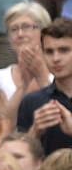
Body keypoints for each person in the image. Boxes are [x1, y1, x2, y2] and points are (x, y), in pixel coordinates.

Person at [17, 17, 72, 154]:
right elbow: (20, 162)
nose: (56, 58)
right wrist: (35, 132)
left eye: (64, 50)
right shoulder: (31, 102)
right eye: (49, 52)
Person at [0, 1, 53, 125]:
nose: (20, 34)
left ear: (44, 32)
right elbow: (2, 126)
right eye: (14, 29)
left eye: (26, 27)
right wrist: (22, 87)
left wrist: (42, 76)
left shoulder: (62, 74)